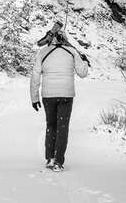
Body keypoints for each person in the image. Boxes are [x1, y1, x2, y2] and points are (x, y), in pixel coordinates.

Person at [30, 26, 89, 172]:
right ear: (65, 38)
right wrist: (85, 61)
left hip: (48, 95)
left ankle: (49, 158)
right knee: (62, 128)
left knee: (51, 126)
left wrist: (34, 97)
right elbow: (82, 73)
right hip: (66, 95)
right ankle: (58, 161)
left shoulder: (42, 52)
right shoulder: (72, 51)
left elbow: (35, 76)